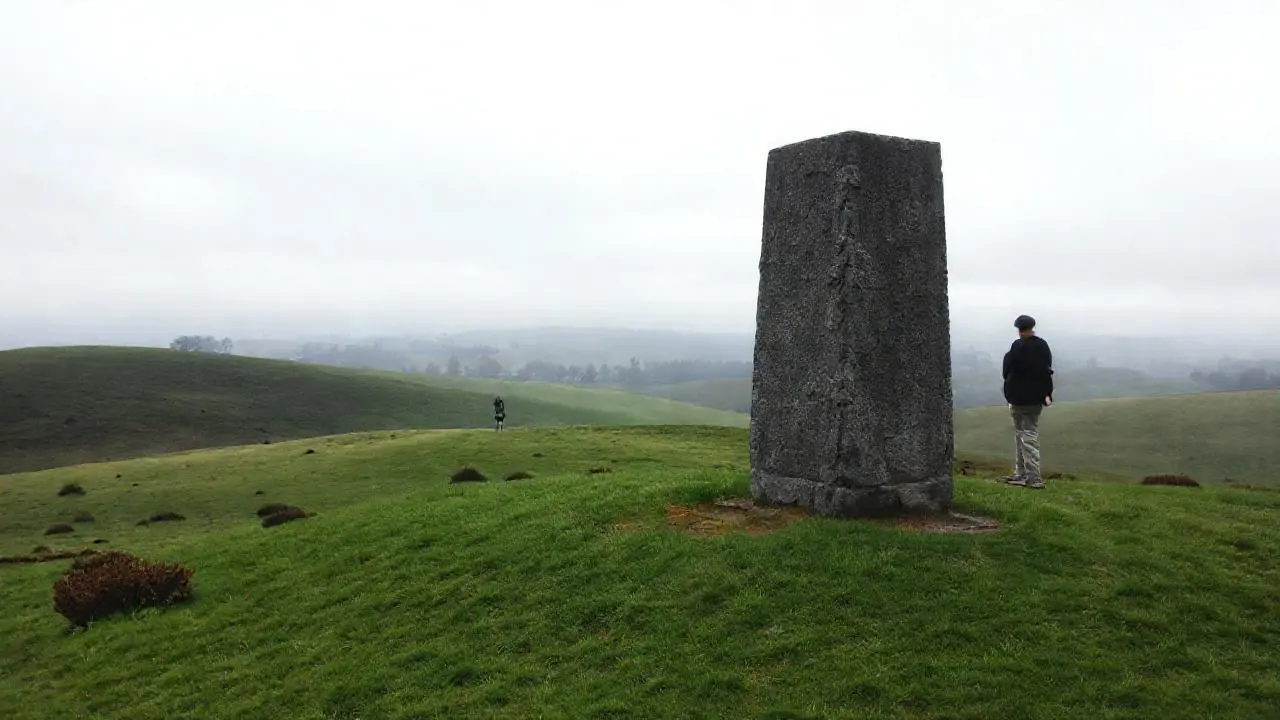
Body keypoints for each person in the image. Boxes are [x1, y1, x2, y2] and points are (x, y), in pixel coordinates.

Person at [1001, 315, 1053, 489]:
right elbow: (1047, 371)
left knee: (1022, 434)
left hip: (1017, 398)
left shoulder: (1016, 347)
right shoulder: (1042, 346)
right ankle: (1025, 474)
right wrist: (1047, 393)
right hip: (1036, 398)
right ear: (1033, 327)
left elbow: (1006, 370)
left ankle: (1030, 476)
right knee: (1028, 433)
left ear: (1019, 329)